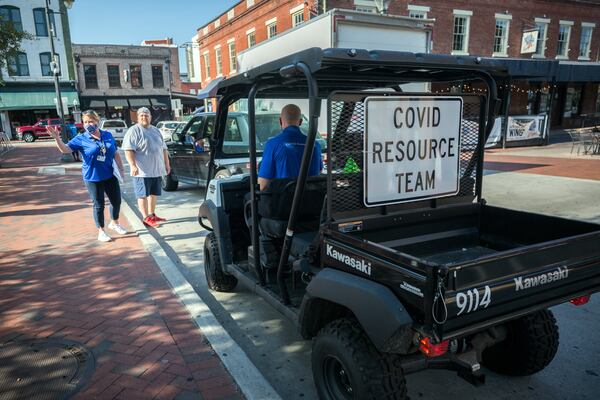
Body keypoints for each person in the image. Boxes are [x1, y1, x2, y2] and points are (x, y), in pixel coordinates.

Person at [47, 110, 127, 242]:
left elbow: (115, 152)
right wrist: (57, 138)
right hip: (93, 177)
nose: (88, 124)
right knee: (99, 204)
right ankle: (101, 231)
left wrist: (121, 168)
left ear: (97, 122)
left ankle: (115, 222)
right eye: (85, 122)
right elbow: (66, 149)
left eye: (91, 121)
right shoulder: (81, 138)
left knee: (116, 201)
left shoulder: (107, 135)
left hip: (110, 174)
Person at [122, 107, 170, 228]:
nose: (144, 117)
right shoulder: (133, 131)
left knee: (153, 193)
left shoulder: (156, 130)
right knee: (142, 195)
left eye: (146, 115)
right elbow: (128, 150)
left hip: (156, 170)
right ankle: (146, 218)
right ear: (138, 118)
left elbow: (164, 149)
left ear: (150, 117)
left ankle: (152, 214)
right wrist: (133, 165)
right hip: (142, 171)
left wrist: (167, 164)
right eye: (141, 115)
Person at [258, 104, 322, 190]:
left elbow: (263, 185)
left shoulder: (272, 144)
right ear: (300, 122)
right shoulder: (315, 145)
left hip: (283, 201)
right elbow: (319, 172)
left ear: (280, 121)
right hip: (312, 201)